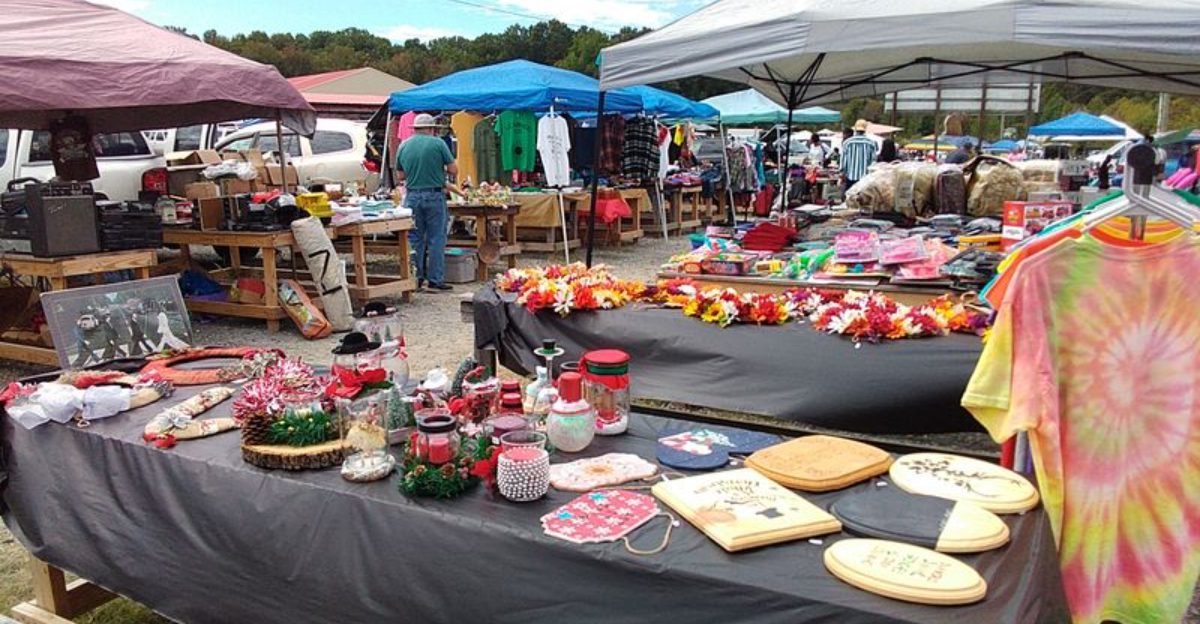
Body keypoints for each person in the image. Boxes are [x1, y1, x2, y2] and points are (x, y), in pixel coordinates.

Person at [397, 113, 458, 292]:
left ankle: (416, 278)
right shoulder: (438, 143)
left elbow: (400, 175)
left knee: (415, 239)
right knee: (436, 238)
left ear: (415, 129)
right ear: (432, 129)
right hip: (434, 195)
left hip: (412, 196)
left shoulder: (404, 145)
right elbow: (453, 169)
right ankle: (435, 280)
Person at [840, 119, 878, 190]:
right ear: (865, 128)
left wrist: (842, 175)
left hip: (850, 177)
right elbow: (873, 162)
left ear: (855, 128)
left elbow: (843, 162)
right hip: (865, 179)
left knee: (850, 198)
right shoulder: (871, 143)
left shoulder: (847, 143)